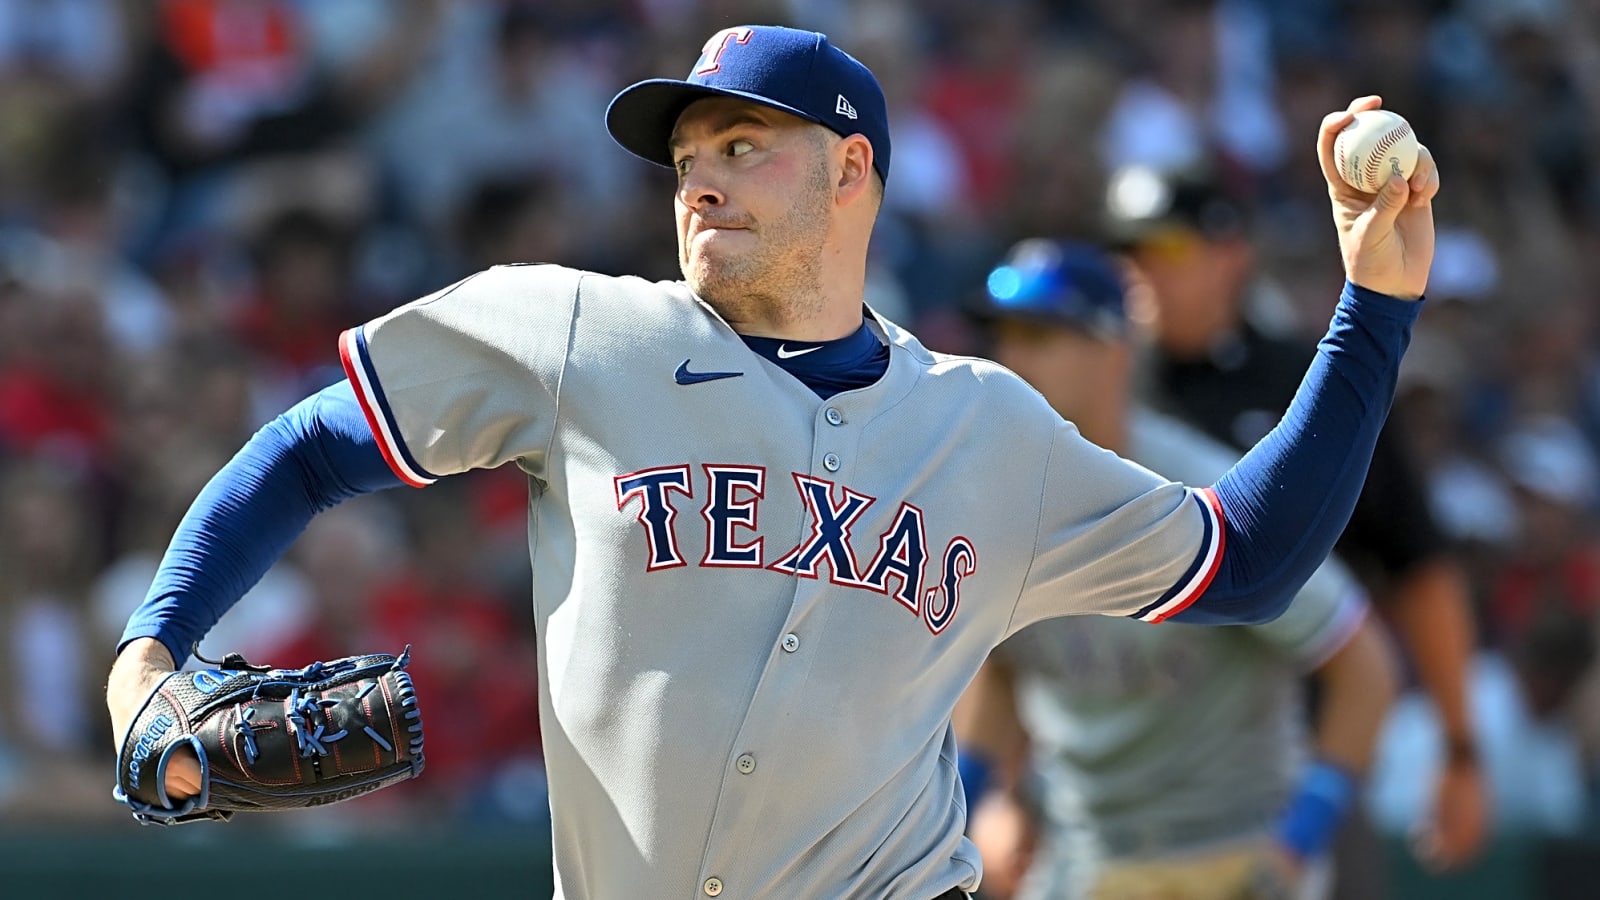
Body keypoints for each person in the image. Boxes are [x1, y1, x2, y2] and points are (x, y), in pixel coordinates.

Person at [106, 24, 1441, 900]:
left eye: (745, 148)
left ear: (852, 170)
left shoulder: (989, 430)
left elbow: (1254, 560)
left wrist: (1373, 304)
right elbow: (311, 448)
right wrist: (152, 648)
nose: (702, 181)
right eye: (688, 157)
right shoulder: (577, 332)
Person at [951, 240, 1401, 900]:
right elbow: (1000, 664)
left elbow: (1362, 662)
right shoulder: (993, 499)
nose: (1013, 358)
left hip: (1233, 854)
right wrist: (985, 803)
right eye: (1004, 336)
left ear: (1114, 351)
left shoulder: (1194, 493)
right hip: (1087, 852)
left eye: (1042, 335)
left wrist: (1300, 838)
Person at [1107, 162, 1489, 885]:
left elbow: (1417, 564)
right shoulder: (1100, 390)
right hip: (1119, 797)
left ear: (1233, 256)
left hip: (1303, 779)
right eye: (1129, 253)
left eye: (1171, 249)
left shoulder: (1309, 378)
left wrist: (1461, 747)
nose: (1145, 271)